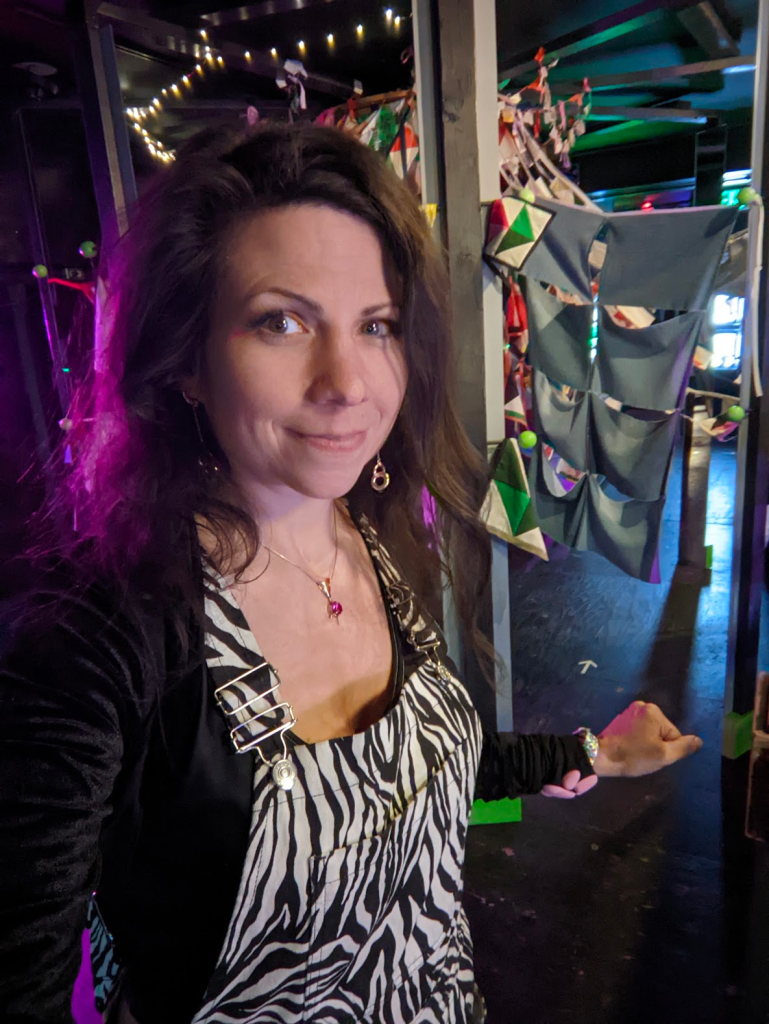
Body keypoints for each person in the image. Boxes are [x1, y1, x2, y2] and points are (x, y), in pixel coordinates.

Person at [0, 122, 703, 1024]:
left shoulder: (368, 535)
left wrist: (588, 754)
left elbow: (407, 774)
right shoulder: (99, 635)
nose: (347, 383)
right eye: (281, 322)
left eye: (376, 326)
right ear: (186, 362)